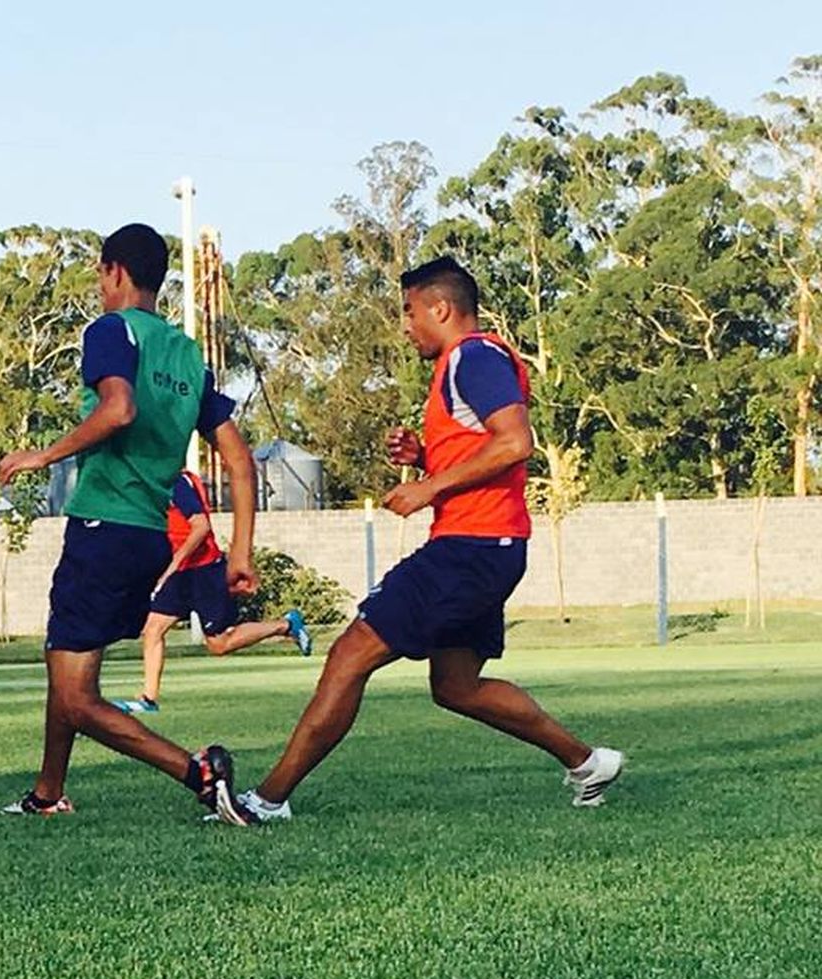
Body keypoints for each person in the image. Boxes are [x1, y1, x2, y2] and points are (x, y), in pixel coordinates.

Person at [216, 256, 623, 825]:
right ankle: (587, 763)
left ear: (441, 308)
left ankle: (266, 801)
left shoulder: (472, 356)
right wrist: (427, 456)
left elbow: (514, 444)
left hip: (470, 548)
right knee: (457, 687)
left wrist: (428, 486)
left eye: (408, 313)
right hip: (490, 546)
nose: (405, 326)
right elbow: (485, 447)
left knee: (348, 655)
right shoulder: (470, 363)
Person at [0, 222, 260, 817]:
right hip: (146, 535)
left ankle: (197, 773)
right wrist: (240, 553)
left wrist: (42, 454)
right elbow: (241, 463)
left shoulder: (112, 331)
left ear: (114, 272)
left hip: (102, 528)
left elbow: (118, 409)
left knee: (77, 696)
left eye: (98, 274)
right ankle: (47, 793)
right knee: (64, 666)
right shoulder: (187, 355)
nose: (98, 286)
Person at [111, 468, 311, 715]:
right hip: (178, 573)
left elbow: (201, 526)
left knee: (218, 644)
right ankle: (148, 700)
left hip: (204, 571)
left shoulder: (176, 482)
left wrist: (173, 563)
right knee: (152, 629)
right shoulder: (150, 484)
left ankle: (286, 625)